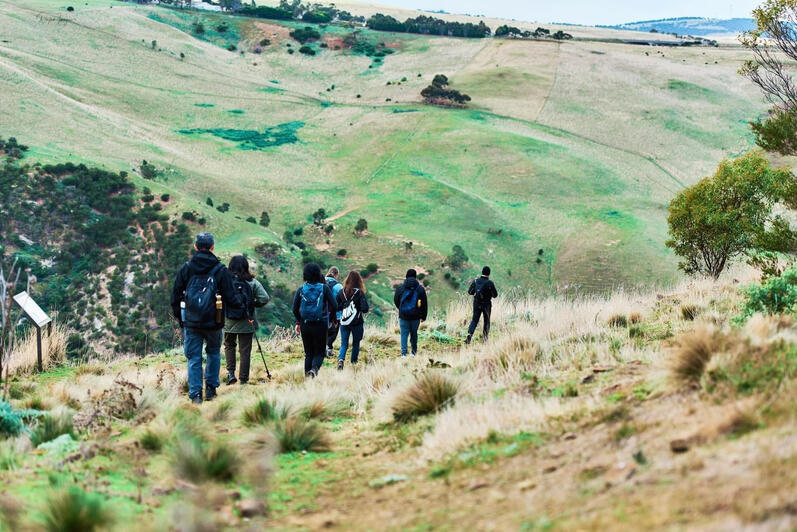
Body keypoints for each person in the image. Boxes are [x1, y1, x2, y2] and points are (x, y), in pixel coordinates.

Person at [171, 232, 243, 404]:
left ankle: (196, 394)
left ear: (195, 247)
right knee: (213, 353)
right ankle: (211, 388)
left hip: (192, 321)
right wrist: (242, 306)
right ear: (212, 247)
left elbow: (175, 297)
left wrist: (181, 320)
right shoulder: (220, 269)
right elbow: (231, 297)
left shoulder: (186, 268)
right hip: (214, 321)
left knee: (194, 357)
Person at [223, 255, 270, 386]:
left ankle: (231, 374)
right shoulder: (252, 282)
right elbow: (264, 298)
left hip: (229, 320)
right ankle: (243, 380)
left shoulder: (225, 281)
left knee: (229, 345)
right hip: (247, 320)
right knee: (245, 350)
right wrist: (251, 304)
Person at [293, 263, 338, 378]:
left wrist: (300, 321)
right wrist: (332, 319)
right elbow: (334, 305)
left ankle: (308, 379)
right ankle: (314, 370)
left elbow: (294, 309)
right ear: (318, 274)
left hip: (306, 325)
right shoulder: (324, 288)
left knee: (308, 353)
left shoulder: (301, 290)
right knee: (319, 352)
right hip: (321, 324)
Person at [336, 271, 369, 370]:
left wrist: (344, 306)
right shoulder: (359, 293)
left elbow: (336, 307)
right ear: (359, 281)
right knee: (356, 343)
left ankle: (341, 360)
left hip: (344, 322)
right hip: (357, 323)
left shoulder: (341, 292)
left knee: (344, 343)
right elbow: (365, 309)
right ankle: (353, 363)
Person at [393, 269, 428, 357]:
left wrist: (401, 309)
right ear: (415, 276)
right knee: (414, 334)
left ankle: (403, 354)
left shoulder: (400, 288)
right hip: (415, 317)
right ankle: (413, 352)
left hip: (403, 316)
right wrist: (423, 316)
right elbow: (424, 303)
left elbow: (396, 300)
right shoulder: (420, 289)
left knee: (404, 334)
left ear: (406, 276)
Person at [466, 266, 498, 344]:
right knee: (486, 321)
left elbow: (470, 292)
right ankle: (485, 339)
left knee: (474, 320)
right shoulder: (490, 283)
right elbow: (495, 295)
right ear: (489, 273)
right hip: (487, 304)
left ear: (482, 272)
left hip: (476, 303)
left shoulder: (476, 281)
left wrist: (476, 293)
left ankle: (470, 334)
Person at [324, 267, 344, 357]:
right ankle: (328, 348)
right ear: (337, 275)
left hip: (321, 313)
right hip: (336, 314)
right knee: (333, 333)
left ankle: (325, 348)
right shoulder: (339, 286)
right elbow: (343, 300)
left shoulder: (320, 283)